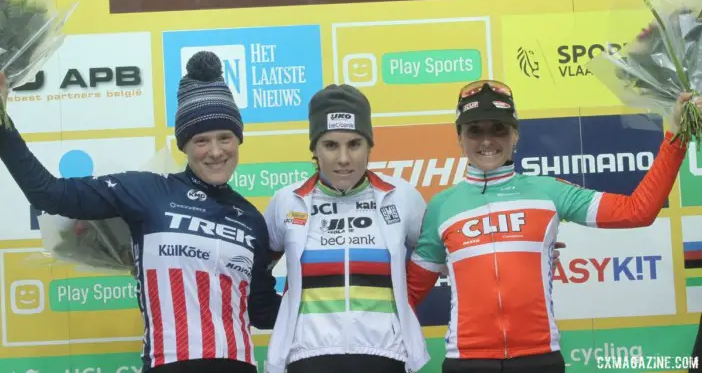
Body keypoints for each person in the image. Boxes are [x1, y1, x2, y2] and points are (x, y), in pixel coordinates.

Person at [0, 51, 281, 373]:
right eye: (201, 140)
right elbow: (49, 195)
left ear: (238, 141)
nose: (215, 151)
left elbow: (262, 312)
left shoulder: (250, 219)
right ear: (184, 145)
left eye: (225, 138)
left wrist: (321, 287)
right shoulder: (149, 191)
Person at [405, 80, 697, 373]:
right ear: (459, 137)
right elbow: (409, 294)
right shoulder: (442, 206)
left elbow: (638, 211)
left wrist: (676, 136)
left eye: (499, 129)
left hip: (539, 357)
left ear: (515, 134)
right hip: (466, 361)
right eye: (474, 130)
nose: (486, 140)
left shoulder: (547, 192)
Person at [262, 84, 430, 373]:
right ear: (314, 148)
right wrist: (281, 315)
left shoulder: (401, 196)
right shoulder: (287, 201)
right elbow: (255, 269)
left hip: (386, 355)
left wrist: (407, 298)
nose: (343, 159)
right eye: (330, 145)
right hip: (308, 357)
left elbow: (435, 255)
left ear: (369, 146)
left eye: (354, 144)